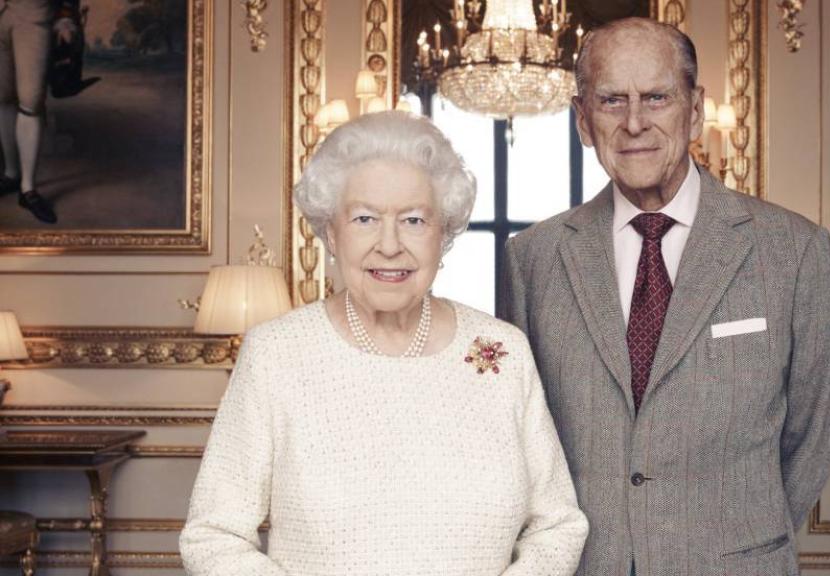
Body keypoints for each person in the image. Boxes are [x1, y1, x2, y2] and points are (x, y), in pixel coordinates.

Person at [499, 18, 830, 575]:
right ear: (583, 120)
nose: (634, 122)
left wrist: (734, 531)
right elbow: (521, 436)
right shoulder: (533, 259)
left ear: (695, 108)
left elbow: (813, 430)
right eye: (611, 100)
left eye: (656, 97)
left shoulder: (793, 250)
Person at [179, 111, 588, 576]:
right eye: (365, 218)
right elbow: (213, 535)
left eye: (414, 219)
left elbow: (558, 525)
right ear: (331, 233)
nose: (389, 245)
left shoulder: (501, 352)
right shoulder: (277, 354)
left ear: (444, 234)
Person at [0, 0, 79, 224]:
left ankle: (28, 190)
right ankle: (11, 174)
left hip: (34, 13)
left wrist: (66, 16)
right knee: (3, 98)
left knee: (30, 103)